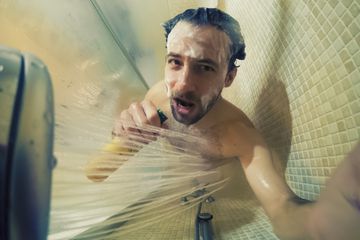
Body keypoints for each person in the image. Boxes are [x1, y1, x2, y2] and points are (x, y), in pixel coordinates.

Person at [86, 8, 360, 240]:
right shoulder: (159, 97)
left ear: (228, 77)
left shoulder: (239, 136)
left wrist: (320, 223)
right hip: (166, 190)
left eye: (204, 67)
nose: (182, 85)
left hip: (215, 205)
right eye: (175, 62)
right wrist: (122, 132)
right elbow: (97, 173)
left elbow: (280, 206)